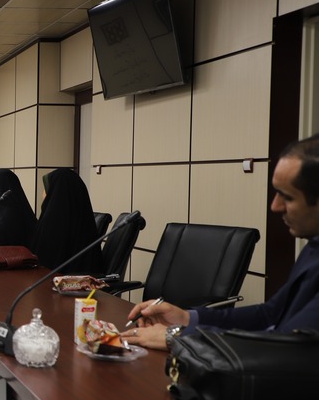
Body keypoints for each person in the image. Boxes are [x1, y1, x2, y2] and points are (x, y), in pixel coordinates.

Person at [126, 134, 319, 350]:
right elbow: (270, 314)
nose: (275, 206)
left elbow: (290, 348)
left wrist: (178, 336)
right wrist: (187, 318)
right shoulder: (313, 247)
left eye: (288, 197)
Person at [31, 168, 101, 273]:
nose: (43, 193)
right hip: (82, 276)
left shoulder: (52, 222)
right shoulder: (82, 216)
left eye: (46, 188)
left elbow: (41, 260)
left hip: (62, 280)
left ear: (56, 191)